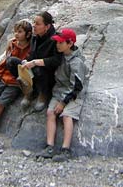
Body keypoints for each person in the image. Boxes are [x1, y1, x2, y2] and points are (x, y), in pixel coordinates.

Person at [37, 28, 88, 162]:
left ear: (70, 43)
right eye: (57, 42)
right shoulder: (60, 56)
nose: (57, 45)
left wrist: (63, 102)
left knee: (67, 116)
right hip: (59, 91)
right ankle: (50, 146)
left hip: (74, 94)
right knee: (50, 113)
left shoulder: (76, 62)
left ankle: (66, 149)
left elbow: (77, 86)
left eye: (60, 43)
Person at [20, 11, 62, 111]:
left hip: (48, 74)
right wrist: (26, 61)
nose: (34, 26)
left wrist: (36, 62)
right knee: (12, 62)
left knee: (39, 69)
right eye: (34, 23)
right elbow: (32, 54)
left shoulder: (55, 39)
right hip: (34, 70)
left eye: (38, 24)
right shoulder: (35, 37)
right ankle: (29, 91)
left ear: (47, 27)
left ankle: (43, 94)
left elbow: (57, 60)